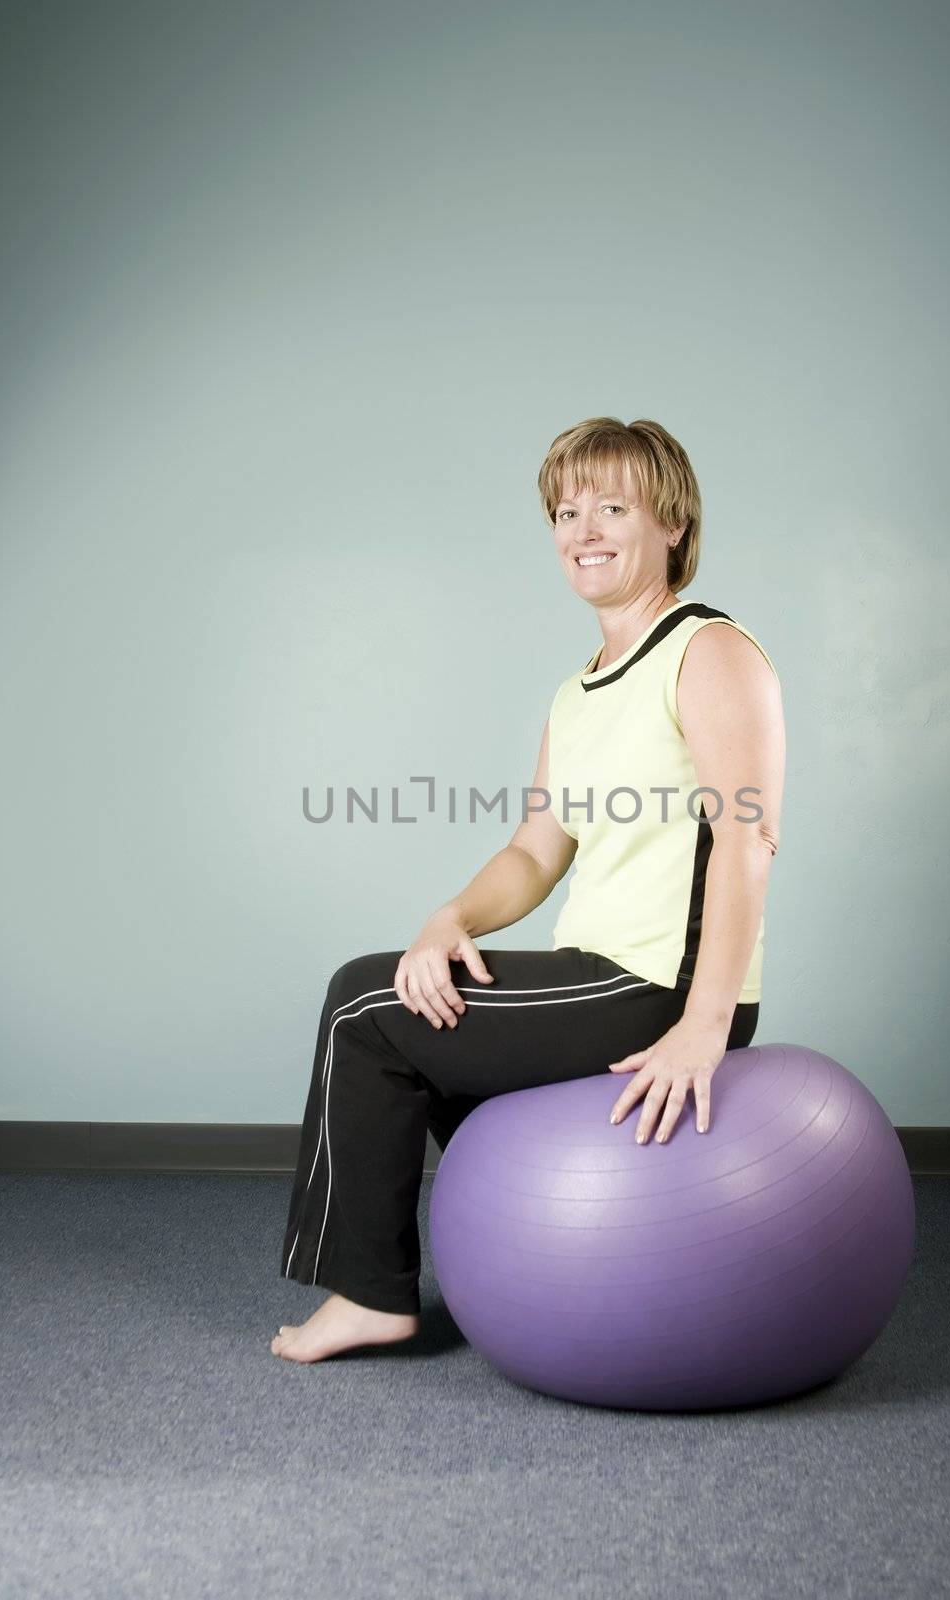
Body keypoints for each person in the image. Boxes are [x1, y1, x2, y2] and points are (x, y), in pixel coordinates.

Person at [272, 415, 786, 1363]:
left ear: (670, 524)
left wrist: (703, 1026)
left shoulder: (707, 651)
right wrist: (449, 917)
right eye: (563, 510)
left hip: (660, 987)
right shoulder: (578, 689)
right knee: (408, 987)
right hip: (592, 971)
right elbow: (536, 850)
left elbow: (746, 839)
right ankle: (528, 1258)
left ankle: (371, 1294)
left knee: (362, 1003)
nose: (582, 528)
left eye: (611, 506)